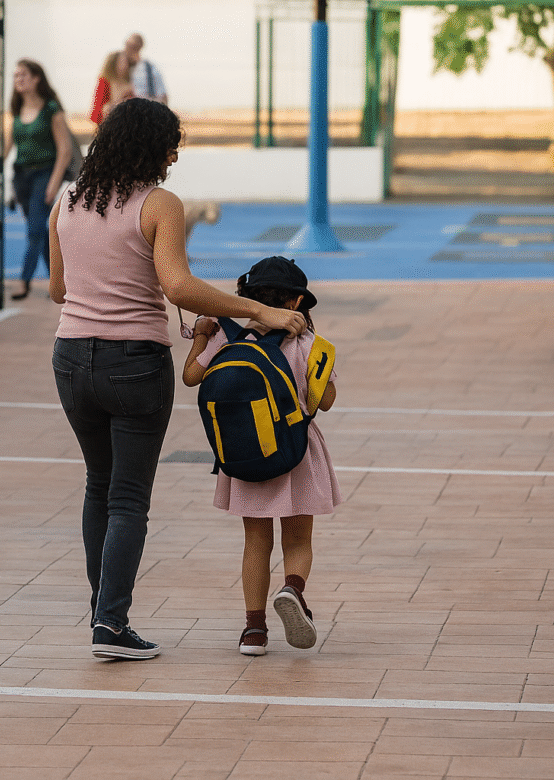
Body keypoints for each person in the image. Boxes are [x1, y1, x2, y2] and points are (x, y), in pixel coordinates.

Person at [47, 99, 307, 661]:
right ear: (148, 147)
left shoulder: (67, 200)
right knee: (128, 497)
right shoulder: (158, 203)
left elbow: (58, 289)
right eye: (170, 146)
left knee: (99, 484)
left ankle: (103, 613)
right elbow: (178, 286)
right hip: (134, 363)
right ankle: (110, 626)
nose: (173, 158)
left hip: (70, 358)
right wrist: (257, 312)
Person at [182, 256, 341, 657]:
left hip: (245, 452)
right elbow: (326, 401)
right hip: (294, 451)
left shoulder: (226, 335)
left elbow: (190, 377)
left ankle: (253, 630)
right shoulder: (305, 342)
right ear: (295, 303)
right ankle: (292, 590)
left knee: (255, 540)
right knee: (298, 537)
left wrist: (202, 335)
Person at [4, 58, 73, 300]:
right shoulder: (15, 110)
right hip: (21, 177)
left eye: (23, 75)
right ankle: (59, 282)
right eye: (16, 75)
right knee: (39, 231)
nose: (18, 79)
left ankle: (24, 281)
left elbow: (64, 150)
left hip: (44, 174)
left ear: (36, 79)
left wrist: (54, 184)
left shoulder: (51, 110)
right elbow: (6, 147)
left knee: (34, 230)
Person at [90, 50, 133, 125]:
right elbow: (97, 111)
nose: (125, 65)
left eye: (126, 62)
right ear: (113, 64)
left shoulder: (129, 82)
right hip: (108, 123)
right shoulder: (104, 81)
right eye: (121, 62)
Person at [123, 33, 168, 104]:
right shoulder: (117, 68)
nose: (128, 49)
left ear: (140, 47)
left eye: (133, 46)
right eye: (128, 45)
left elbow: (163, 96)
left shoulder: (150, 69)